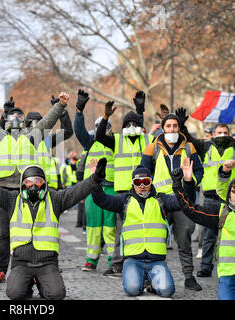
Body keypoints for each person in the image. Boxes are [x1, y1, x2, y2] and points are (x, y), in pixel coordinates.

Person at [0, 145, 107, 299]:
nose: (33, 186)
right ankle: (27, 284)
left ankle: (41, 282)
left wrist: (96, 178)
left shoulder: (55, 199)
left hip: (47, 263)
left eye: (37, 182)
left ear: (44, 183)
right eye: (28, 182)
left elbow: (77, 191)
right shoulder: (12, 200)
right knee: (14, 293)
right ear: (22, 185)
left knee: (56, 294)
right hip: (21, 263)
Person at [0, 90, 70, 283]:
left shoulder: (32, 135)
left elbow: (47, 121)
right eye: (12, 116)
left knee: (30, 231)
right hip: (3, 190)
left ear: (24, 120)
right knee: (4, 234)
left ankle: (31, 269)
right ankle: (0, 270)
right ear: (5, 119)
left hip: (27, 191)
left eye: (19, 116)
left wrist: (60, 105)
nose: (16, 118)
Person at [91, 162, 196, 298]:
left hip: (156, 261)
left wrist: (188, 182)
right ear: (132, 183)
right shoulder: (125, 200)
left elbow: (185, 202)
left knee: (167, 291)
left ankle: (151, 282)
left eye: (145, 181)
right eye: (138, 182)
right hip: (133, 260)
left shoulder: (161, 199)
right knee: (133, 289)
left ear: (151, 182)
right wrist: (95, 180)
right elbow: (102, 200)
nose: (141, 186)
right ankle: (142, 279)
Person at [140, 110, 204, 290]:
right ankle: (149, 277)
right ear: (163, 128)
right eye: (168, 126)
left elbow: (199, 171)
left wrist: (191, 179)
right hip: (159, 200)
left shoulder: (189, 148)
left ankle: (189, 277)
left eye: (175, 125)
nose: (172, 129)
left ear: (179, 127)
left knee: (184, 237)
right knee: (156, 238)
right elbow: (143, 172)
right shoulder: (151, 148)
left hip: (181, 199)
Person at [95, 91, 153, 276]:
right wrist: (105, 117)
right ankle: (118, 264)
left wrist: (140, 111)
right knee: (122, 229)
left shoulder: (148, 140)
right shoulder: (117, 140)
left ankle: (144, 260)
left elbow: (144, 127)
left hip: (145, 191)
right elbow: (99, 137)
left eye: (134, 124)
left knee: (144, 228)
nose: (131, 126)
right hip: (124, 193)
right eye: (127, 124)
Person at [179, 117, 235, 278]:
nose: (222, 135)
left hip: (231, 197)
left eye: (225, 132)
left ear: (230, 134)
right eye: (219, 132)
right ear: (213, 134)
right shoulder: (206, 146)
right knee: (209, 234)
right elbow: (189, 140)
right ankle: (206, 266)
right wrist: (182, 126)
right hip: (211, 197)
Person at [173, 159, 235, 299]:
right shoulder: (221, 214)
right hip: (228, 277)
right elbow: (191, 210)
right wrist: (180, 184)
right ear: (229, 194)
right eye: (234, 190)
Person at [75, 98, 117, 271]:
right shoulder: (89, 142)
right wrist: (79, 112)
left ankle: (112, 261)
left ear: (110, 128)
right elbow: (78, 130)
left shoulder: (116, 143)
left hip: (111, 189)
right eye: (99, 126)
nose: (102, 129)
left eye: (105, 126)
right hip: (93, 190)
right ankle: (91, 261)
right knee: (93, 226)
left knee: (110, 228)